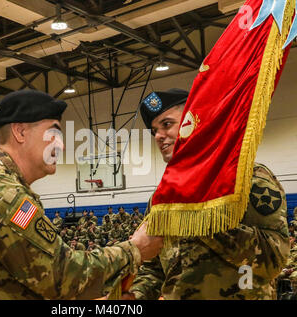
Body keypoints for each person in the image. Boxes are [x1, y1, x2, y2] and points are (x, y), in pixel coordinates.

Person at [0, 89, 163, 300]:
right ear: (20, 132)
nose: (62, 145)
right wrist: (135, 249)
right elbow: (61, 277)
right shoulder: (2, 193)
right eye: (53, 133)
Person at [124, 89, 290, 300]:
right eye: (154, 130)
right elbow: (154, 268)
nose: (158, 136)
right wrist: (136, 295)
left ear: (194, 122)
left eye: (167, 125)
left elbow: (274, 259)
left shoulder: (247, 178)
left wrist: (199, 215)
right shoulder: (162, 197)